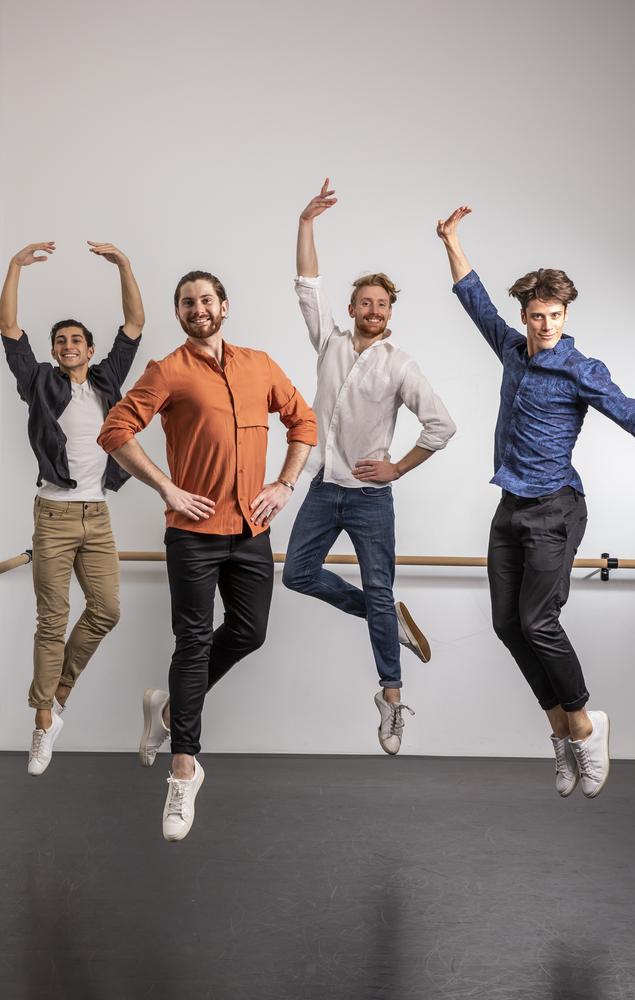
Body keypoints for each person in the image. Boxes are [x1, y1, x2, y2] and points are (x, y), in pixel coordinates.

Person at [437, 205, 635, 798]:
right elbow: (473, 296)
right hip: (510, 507)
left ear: (566, 314)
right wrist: (452, 240)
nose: (547, 325)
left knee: (539, 620)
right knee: (508, 624)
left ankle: (585, 725)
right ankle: (559, 731)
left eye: (556, 315)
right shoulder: (511, 348)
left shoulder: (581, 368)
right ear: (525, 316)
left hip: (556, 508)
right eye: (537, 316)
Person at [98, 269, 317, 841]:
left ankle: (170, 709)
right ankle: (183, 768)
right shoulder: (168, 370)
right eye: (187, 303)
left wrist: (285, 485)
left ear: (224, 305)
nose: (198, 309)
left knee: (249, 631)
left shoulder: (260, 365)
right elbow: (116, 428)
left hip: (251, 529)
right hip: (192, 532)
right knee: (193, 639)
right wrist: (166, 487)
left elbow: (304, 421)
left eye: (206, 300)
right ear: (180, 313)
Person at [283, 181, 456, 755]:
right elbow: (308, 287)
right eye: (365, 303)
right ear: (354, 308)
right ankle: (386, 618)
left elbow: (441, 427)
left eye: (382, 305)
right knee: (297, 574)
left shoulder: (400, 365)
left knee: (380, 589)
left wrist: (398, 468)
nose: (373, 311)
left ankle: (390, 697)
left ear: (389, 312)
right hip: (323, 487)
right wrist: (306, 222)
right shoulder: (329, 344)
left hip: (367, 497)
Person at [0, 240, 144, 775]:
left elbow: (133, 323)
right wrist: (14, 267)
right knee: (51, 621)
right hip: (54, 516)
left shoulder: (108, 380)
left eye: (75, 339)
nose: (67, 345)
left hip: (97, 515)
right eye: (60, 340)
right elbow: (10, 331)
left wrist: (125, 265)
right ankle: (41, 726)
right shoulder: (37, 381)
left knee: (106, 609)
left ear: (87, 348)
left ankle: (59, 693)